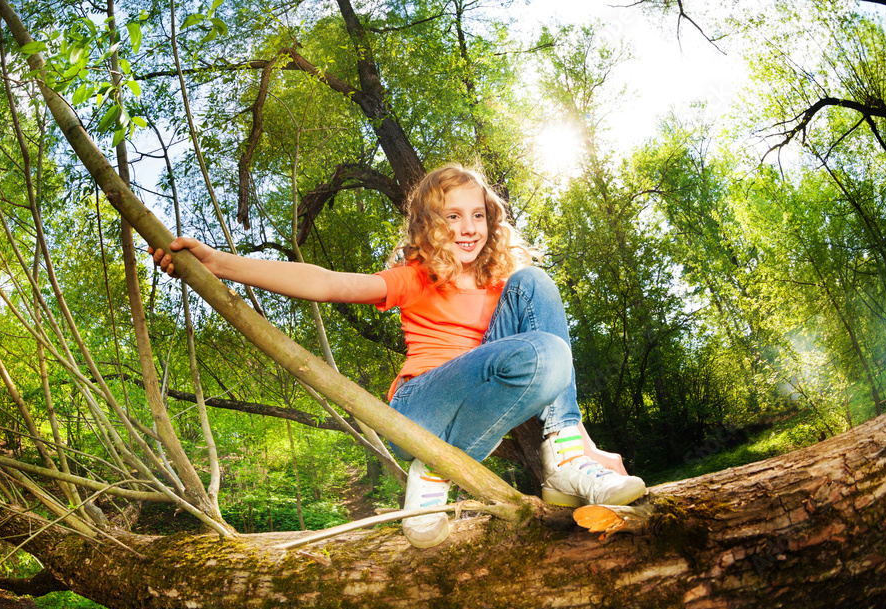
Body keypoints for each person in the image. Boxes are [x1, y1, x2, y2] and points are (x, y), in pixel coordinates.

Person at [149, 163, 645, 549]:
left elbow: (551, 366)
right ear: (430, 223)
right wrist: (217, 262)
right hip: (422, 408)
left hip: (478, 416)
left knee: (536, 285)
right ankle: (431, 467)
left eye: (478, 215)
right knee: (541, 340)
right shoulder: (417, 274)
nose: (468, 228)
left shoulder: (506, 287)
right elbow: (327, 283)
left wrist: (586, 444)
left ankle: (564, 461)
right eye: (452, 216)